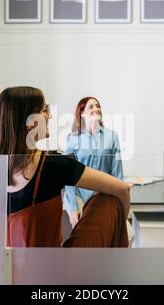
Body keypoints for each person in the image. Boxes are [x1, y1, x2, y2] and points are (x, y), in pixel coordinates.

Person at [0, 86, 130, 247]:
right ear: (30, 123)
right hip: (51, 268)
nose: (50, 114)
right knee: (109, 199)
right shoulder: (54, 164)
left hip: (2, 268)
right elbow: (122, 189)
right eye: (44, 109)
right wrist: (119, 221)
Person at [64, 97, 123, 228]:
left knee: (127, 235)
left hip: (105, 197)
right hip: (80, 198)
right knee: (86, 241)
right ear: (82, 113)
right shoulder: (72, 139)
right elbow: (68, 176)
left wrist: (119, 202)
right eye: (91, 107)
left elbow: (117, 173)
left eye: (98, 106)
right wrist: (73, 208)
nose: (96, 109)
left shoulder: (112, 136)